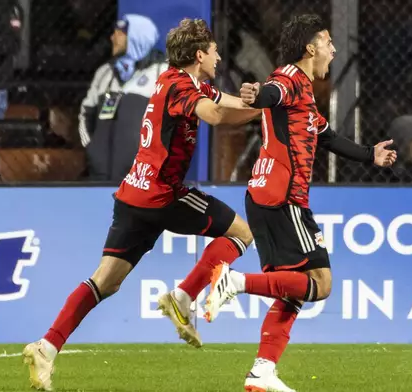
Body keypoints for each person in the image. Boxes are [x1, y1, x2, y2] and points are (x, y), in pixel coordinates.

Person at [22, 18, 261, 391]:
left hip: (133, 193)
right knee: (242, 232)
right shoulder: (184, 87)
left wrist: (256, 103)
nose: (218, 56)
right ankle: (183, 297)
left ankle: (46, 346)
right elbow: (215, 116)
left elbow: (219, 101)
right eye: (214, 50)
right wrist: (265, 111)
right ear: (200, 54)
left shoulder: (173, 79)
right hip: (162, 194)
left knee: (105, 281)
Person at [203, 14, 397, 392]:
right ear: (311, 48)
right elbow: (270, 93)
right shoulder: (290, 79)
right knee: (320, 283)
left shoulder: (304, 95)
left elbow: (327, 136)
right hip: (283, 198)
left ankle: (262, 371)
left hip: (265, 197)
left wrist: (369, 154)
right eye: (327, 41)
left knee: (294, 288)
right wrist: (254, 95)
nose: (334, 48)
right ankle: (234, 281)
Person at [79, 14, 169, 182]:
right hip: (99, 177)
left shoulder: (163, 73)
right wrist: (93, 148)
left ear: (136, 37)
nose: (112, 38)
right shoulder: (104, 72)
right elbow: (86, 113)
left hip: (141, 179)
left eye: (119, 34)